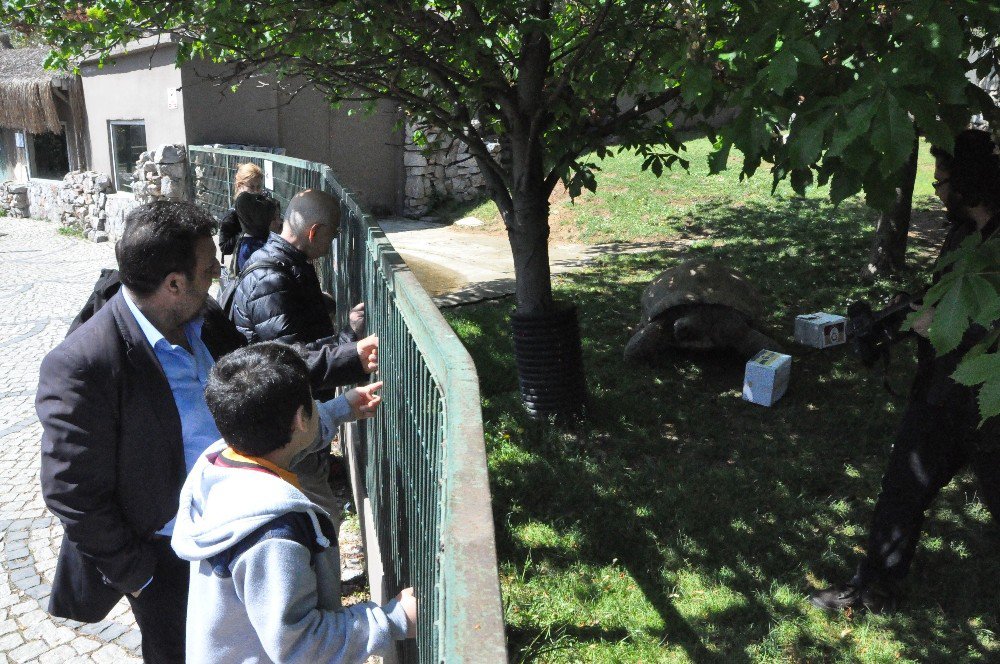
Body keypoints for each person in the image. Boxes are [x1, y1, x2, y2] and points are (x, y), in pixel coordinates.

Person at [36, 201, 374, 661]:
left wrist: (341, 379)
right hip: (169, 560)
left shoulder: (202, 317)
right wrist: (140, 576)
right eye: (209, 267)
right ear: (174, 284)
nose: (219, 270)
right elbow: (69, 490)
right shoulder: (84, 364)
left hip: (241, 527)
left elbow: (260, 380)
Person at [810, 128, 1000, 613]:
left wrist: (943, 324)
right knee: (901, 488)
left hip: (990, 402)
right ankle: (872, 589)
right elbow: (945, 299)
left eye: (942, 183)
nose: (936, 191)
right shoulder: (962, 235)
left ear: (969, 184)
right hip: (942, 391)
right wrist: (906, 311)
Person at [172, 343, 416, 663]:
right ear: (300, 418)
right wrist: (395, 618)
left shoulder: (217, 463)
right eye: (313, 402)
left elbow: (289, 436)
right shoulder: (274, 535)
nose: (317, 404)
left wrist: (339, 408)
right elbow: (300, 645)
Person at [231, 189, 371, 515]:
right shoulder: (272, 278)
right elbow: (290, 364)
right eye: (332, 234)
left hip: (297, 420)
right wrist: (354, 354)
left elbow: (300, 342)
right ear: (315, 232)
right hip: (284, 428)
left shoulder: (290, 265)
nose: (333, 242)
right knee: (321, 516)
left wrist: (348, 333)